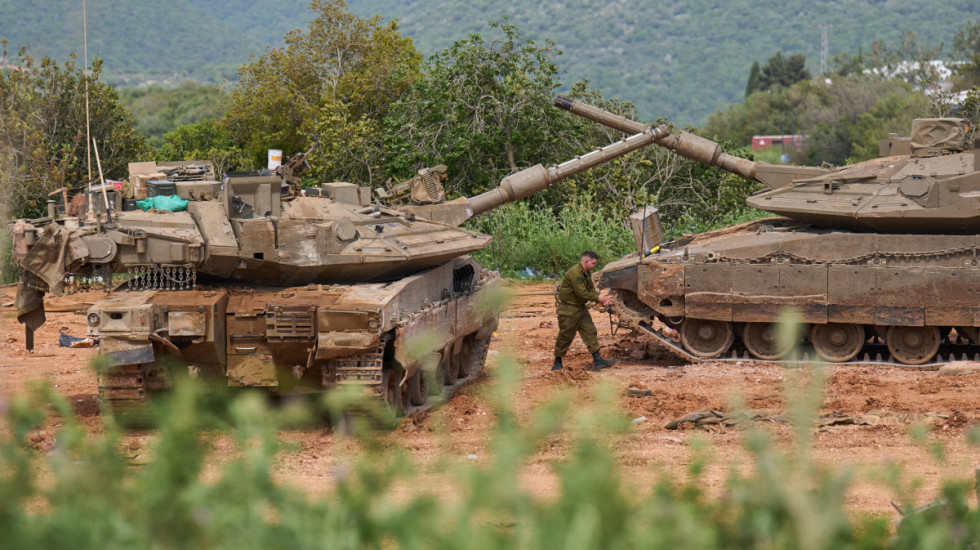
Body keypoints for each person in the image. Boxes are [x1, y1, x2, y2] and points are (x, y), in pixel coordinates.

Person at [552, 250, 616, 371]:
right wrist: (599, 298)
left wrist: (602, 299)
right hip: (569, 310)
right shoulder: (575, 273)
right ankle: (557, 362)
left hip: (580, 309)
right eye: (593, 263)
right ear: (586, 261)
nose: (594, 266)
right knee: (565, 336)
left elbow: (590, 290)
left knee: (590, 331)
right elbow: (582, 294)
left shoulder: (586, 273)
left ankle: (597, 360)